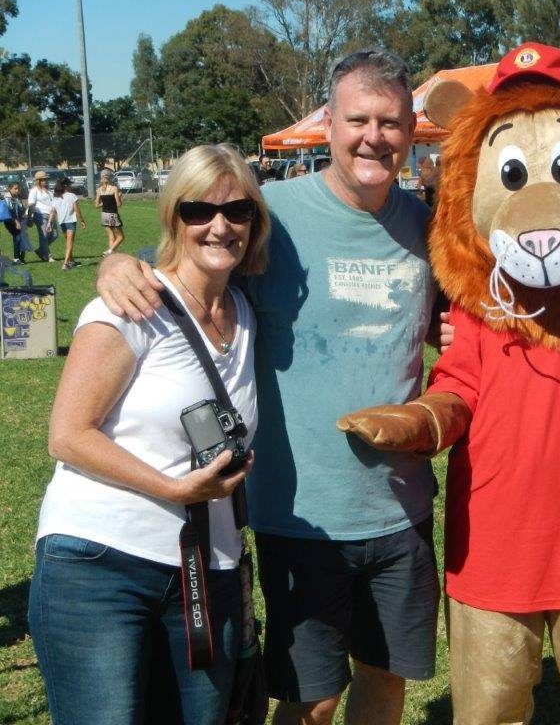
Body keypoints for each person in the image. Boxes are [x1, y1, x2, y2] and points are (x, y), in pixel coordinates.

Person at [96, 49, 437, 725]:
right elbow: (192, 251)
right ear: (329, 124)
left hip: (400, 509)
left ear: (411, 131)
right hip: (299, 510)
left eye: (391, 122)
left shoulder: (429, 227)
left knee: (387, 682)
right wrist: (120, 262)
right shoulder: (272, 212)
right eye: (358, 119)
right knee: (310, 701)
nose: (375, 136)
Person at [28, 144, 270, 725]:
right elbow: (67, 435)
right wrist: (172, 488)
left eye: (238, 211)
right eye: (198, 211)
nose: (219, 226)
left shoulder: (244, 309)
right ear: (172, 217)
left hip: (203, 571)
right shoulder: (132, 306)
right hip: (99, 567)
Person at [49, 177, 85, 270]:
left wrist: (49, 223)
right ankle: (65, 264)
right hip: (70, 222)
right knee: (69, 243)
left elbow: (52, 211)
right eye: (69, 185)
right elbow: (77, 210)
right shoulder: (72, 196)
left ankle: (71, 261)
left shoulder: (56, 197)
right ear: (65, 186)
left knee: (68, 242)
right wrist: (82, 220)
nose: (70, 186)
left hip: (62, 223)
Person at [27, 170, 57, 262]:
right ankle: (48, 256)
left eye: (46, 179)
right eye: (43, 180)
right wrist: (30, 217)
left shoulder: (48, 191)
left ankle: (40, 250)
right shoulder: (34, 191)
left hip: (51, 215)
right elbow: (31, 205)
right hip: (40, 215)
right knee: (44, 235)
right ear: (38, 181)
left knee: (55, 234)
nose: (45, 181)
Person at [94, 169, 125, 255]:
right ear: (110, 177)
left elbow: (96, 205)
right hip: (112, 215)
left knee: (111, 237)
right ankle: (110, 251)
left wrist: (104, 203)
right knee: (120, 237)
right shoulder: (114, 188)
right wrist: (120, 196)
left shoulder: (99, 190)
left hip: (104, 215)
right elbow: (118, 204)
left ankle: (111, 255)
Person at [2, 180, 31, 262]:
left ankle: (21, 258)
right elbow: (10, 211)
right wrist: (17, 222)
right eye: (15, 188)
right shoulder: (7, 198)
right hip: (10, 221)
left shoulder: (17, 197)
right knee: (17, 237)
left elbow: (21, 209)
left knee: (22, 237)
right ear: (10, 189)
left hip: (19, 220)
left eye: (18, 189)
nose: (17, 190)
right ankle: (16, 258)